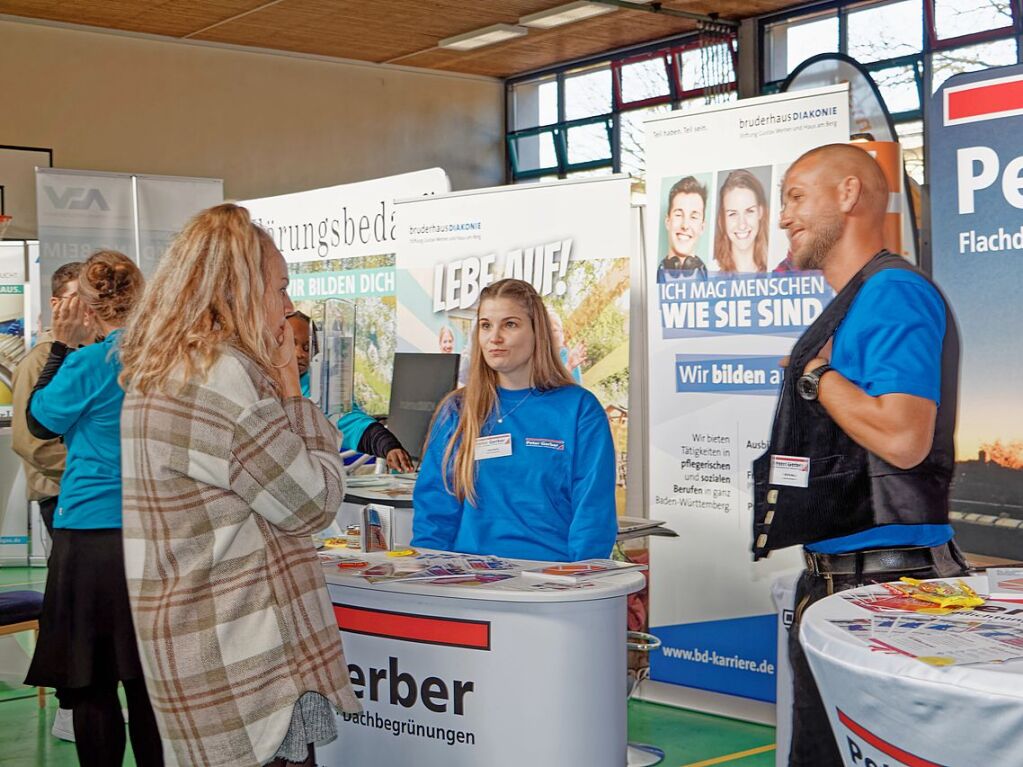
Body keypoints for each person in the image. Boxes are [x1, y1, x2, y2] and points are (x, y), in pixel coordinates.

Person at [117, 204, 360, 767]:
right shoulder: (223, 377)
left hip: (200, 647)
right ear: (241, 289)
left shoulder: (161, 371)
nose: (288, 306)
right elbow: (313, 502)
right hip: (247, 666)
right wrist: (291, 391)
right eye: (279, 288)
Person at [752, 144, 967, 767]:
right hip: (845, 588)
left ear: (847, 195)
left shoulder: (893, 294)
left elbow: (904, 438)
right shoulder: (854, 303)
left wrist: (820, 380)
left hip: (887, 596)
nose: (784, 216)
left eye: (795, 196)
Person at [23, 251, 163, 767]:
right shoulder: (169, 358)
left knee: (93, 681)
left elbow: (39, 421)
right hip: (153, 531)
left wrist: (60, 344)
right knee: (150, 683)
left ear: (86, 305)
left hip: (90, 536)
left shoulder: (88, 362)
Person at [412, 278, 616, 562]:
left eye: (509, 324)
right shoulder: (458, 409)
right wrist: (429, 571)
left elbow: (593, 513)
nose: (494, 337)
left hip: (551, 581)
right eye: (486, 325)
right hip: (469, 581)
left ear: (537, 332)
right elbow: (435, 509)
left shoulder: (579, 410)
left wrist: (580, 582)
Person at [10, 261, 80, 743]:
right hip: (63, 501)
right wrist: (98, 463)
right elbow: (31, 441)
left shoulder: (95, 357)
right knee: (69, 604)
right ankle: (70, 704)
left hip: (95, 504)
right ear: (58, 302)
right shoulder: (40, 362)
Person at [288, 310, 415, 472]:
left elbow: (352, 422)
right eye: (291, 344)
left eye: (307, 348)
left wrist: (389, 446)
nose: (300, 354)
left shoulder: (320, 388)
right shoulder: (256, 383)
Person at [714, 169, 769, 273]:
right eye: (733, 214)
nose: (742, 225)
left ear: (760, 212)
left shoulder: (778, 270)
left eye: (749, 211)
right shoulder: (708, 271)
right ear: (722, 219)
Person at [658, 176, 709, 281]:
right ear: (668, 222)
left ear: (702, 227)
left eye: (694, 217)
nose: (685, 226)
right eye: (678, 215)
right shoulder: (651, 277)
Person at [548, 309, 585, 385]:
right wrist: (569, 366)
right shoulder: (536, 360)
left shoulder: (569, 356)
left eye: (555, 330)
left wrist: (570, 365)